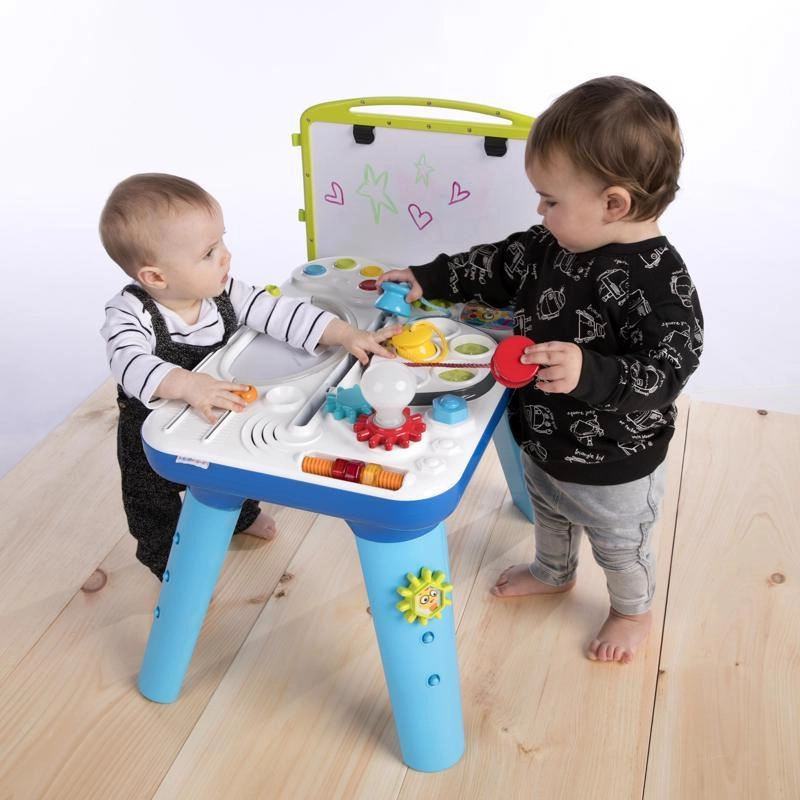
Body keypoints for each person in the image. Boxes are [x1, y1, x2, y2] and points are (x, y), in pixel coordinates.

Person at [377, 76, 703, 664]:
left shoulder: (660, 286)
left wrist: (589, 372)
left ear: (614, 204)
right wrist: (431, 277)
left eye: (551, 200)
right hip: (541, 434)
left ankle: (632, 611)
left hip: (613, 462)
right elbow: (497, 264)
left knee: (620, 547)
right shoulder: (551, 244)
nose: (539, 210)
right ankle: (554, 572)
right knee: (549, 515)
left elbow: (667, 370)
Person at [100, 173, 399, 580]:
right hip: (153, 427)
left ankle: (240, 516)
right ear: (156, 277)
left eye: (222, 241)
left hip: (221, 409)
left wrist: (344, 334)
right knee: (151, 499)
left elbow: (281, 313)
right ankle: (164, 560)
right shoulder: (128, 312)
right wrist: (187, 384)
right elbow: (128, 361)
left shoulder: (225, 292)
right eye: (208, 252)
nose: (226, 256)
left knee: (232, 468)